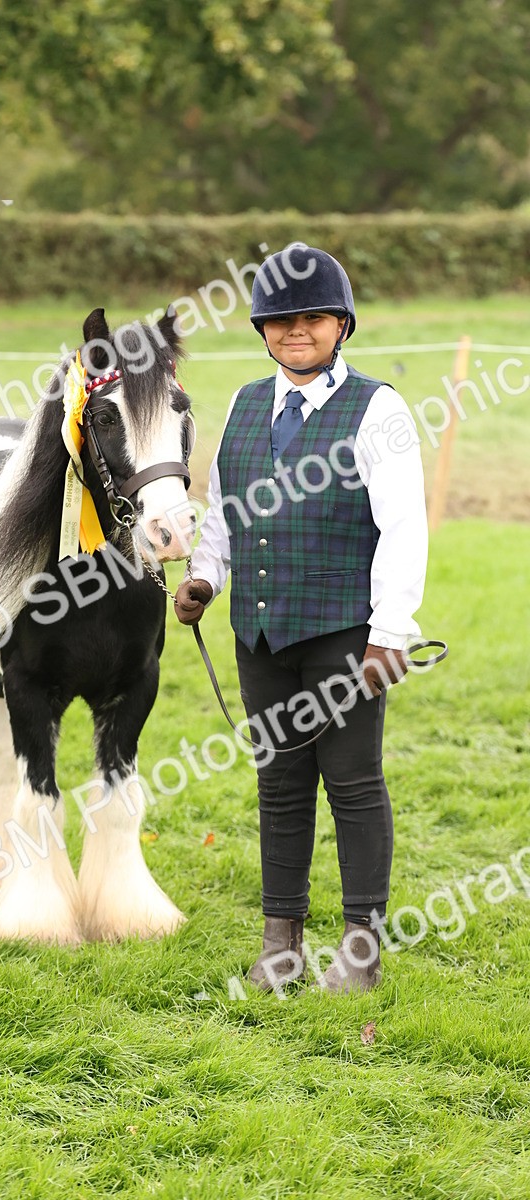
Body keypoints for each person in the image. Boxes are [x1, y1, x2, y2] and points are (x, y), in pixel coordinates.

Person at [174, 243, 428, 994]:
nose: (295, 331)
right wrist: (202, 577)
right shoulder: (249, 404)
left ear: (341, 324)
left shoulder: (378, 407)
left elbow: (404, 527)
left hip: (347, 634)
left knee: (352, 783)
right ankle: (279, 941)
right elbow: (224, 511)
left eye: (312, 318)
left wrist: (390, 633)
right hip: (259, 635)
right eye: (280, 320)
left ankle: (360, 947)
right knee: (279, 785)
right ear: (261, 329)